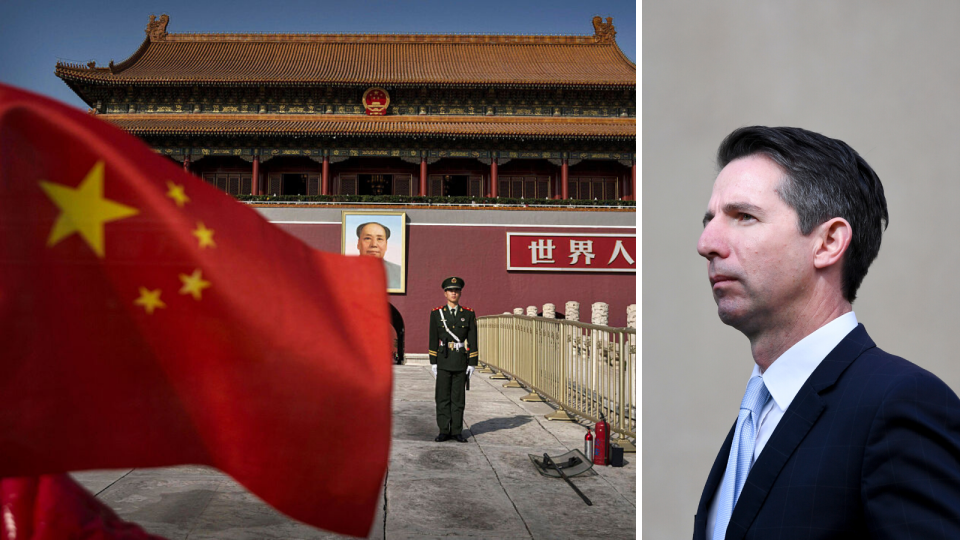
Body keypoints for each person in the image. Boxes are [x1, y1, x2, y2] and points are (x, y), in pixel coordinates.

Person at [694, 126, 960, 539]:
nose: (707, 242)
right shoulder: (759, 411)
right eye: (709, 220)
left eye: (743, 216)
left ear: (828, 242)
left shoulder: (898, 405)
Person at [428, 277, 478, 443]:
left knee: (458, 398)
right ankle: (443, 430)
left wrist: (472, 363)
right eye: (450, 290)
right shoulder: (436, 314)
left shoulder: (468, 314)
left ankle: (457, 430)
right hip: (443, 359)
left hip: (460, 361)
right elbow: (433, 338)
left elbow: (472, 339)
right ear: (445, 293)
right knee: (442, 397)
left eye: (456, 290)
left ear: (460, 293)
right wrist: (433, 361)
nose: (453, 293)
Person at [356, 222, 401, 290]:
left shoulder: (399, 272)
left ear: (386, 245)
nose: (374, 244)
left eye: (379, 239)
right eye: (368, 238)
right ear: (358, 244)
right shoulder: (344, 271)